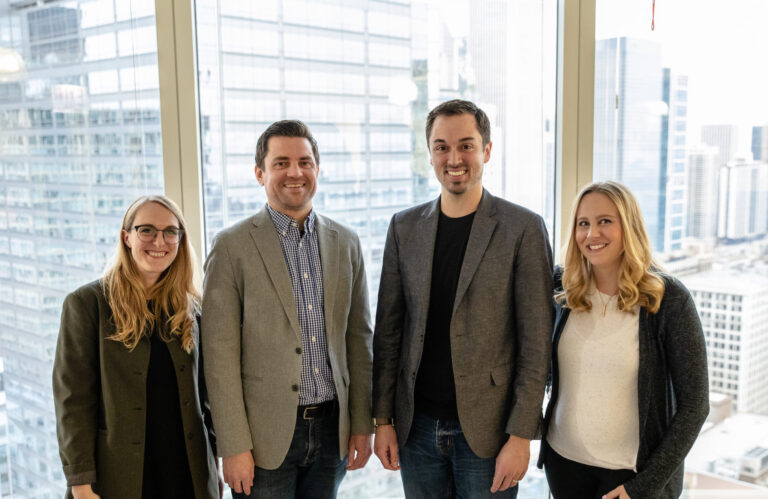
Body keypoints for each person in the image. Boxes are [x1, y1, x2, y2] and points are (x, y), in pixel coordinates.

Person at [372, 99, 554, 498]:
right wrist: (382, 418)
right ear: (430, 155)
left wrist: (521, 436)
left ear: (487, 150)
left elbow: (536, 344)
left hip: (489, 434)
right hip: (415, 429)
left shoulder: (522, 229)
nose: (454, 158)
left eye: (466, 145)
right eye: (441, 147)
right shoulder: (404, 228)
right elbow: (389, 332)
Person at [201, 120, 373, 498]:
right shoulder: (231, 247)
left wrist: (362, 423)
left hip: (332, 433)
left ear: (317, 169)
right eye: (281, 163)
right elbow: (218, 356)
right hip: (263, 439)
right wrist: (233, 445)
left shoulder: (346, 242)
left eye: (305, 161)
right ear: (260, 172)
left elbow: (359, 340)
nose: (295, 172)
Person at [537, 181, 709, 499]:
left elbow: (695, 406)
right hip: (564, 466)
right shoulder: (563, 289)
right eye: (583, 223)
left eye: (605, 221)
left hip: (631, 478)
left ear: (628, 226)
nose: (592, 234)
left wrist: (642, 487)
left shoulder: (668, 299)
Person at [53, 195, 220, 499]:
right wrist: (80, 483)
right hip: (119, 477)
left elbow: (205, 395)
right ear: (126, 236)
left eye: (171, 231)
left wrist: (213, 466)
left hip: (187, 474)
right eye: (147, 230)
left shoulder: (191, 308)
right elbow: (73, 402)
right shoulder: (87, 304)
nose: (160, 240)